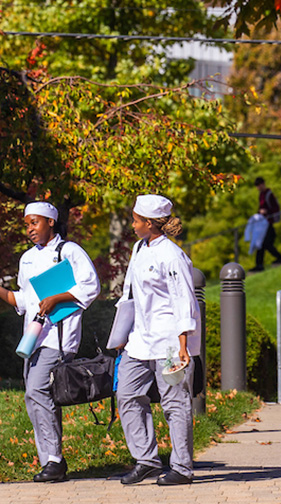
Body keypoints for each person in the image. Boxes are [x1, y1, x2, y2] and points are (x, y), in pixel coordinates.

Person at [0, 201, 100, 483]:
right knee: (35, 396)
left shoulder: (68, 252)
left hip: (58, 340)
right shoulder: (27, 259)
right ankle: (50, 460)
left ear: (50, 222)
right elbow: (22, 301)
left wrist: (58, 297)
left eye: (34, 223)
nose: (30, 229)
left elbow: (91, 286)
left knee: (37, 390)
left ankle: (54, 460)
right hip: (33, 339)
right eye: (26, 224)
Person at [113, 194, 202, 486]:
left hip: (169, 342)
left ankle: (181, 468)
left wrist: (183, 345)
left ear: (150, 223)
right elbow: (130, 295)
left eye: (136, 220)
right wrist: (122, 333)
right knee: (127, 395)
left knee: (174, 403)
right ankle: (147, 460)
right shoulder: (139, 248)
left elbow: (183, 300)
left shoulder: (172, 255)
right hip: (139, 340)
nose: (132, 224)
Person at [252, 177, 281, 271]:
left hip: (268, 222)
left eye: (259, 185)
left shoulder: (269, 194)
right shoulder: (261, 195)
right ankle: (259, 264)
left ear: (263, 184)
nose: (258, 187)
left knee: (265, 243)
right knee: (262, 243)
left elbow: (275, 208)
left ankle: (280, 258)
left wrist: (266, 212)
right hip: (263, 222)